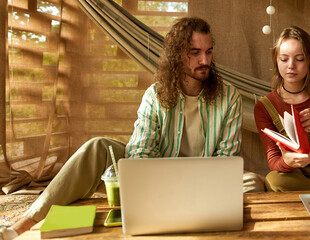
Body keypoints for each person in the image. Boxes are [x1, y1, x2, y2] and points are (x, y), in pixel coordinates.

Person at [5, 17, 264, 238]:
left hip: (206, 182)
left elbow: (226, 157)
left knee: (252, 181)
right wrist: (154, 182)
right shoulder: (156, 95)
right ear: (177, 55)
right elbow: (140, 153)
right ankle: (24, 223)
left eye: (208, 52)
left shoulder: (228, 96)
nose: (204, 60)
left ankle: (187, 212)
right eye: (195, 53)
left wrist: (195, 185)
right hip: (157, 178)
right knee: (97, 147)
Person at [254, 26, 310, 192]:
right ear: (276, 61)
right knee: (274, 179)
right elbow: (273, 160)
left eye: (300, 59)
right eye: (284, 59)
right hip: (295, 177)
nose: (291, 66)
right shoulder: (264, 106)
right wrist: (287, 162)